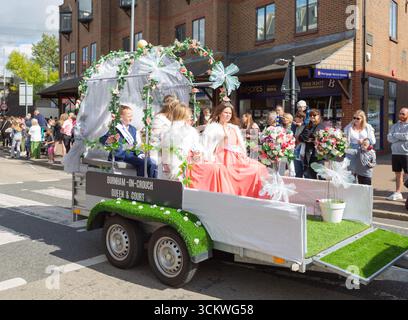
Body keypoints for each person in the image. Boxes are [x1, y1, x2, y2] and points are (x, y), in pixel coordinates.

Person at [188, 102, 268, 199]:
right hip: (222, 158)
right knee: (226, 173)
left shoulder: (234, 128)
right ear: (219, 114)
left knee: (258, 168)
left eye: (230, 113)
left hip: (237, 158)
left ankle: (251, 195)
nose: (228, 115)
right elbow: (207, 146)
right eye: (225, 112)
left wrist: (243, 155)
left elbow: (240, 146)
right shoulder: (213, 128)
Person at [100, 105, 158, 178]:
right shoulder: (116, 127)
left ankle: (153, 183)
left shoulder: (133, 129)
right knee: (143, 163)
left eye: (131, 116)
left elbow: (135, 145)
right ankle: (141, 183)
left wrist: (140, 153)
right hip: (120, 155)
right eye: (128, 116)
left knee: (151, 162)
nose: (131, 118)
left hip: (131, 154)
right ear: (121, 116)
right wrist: (109, 140)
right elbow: (102, 139)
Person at [161, 103, 202, 180]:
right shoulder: (188, 130)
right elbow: (196, 149)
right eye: (189, 115)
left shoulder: (167, 130)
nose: (191, 117)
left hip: (170, 165)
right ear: (184, 115)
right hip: (186, 165)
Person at [344, 110, 376, 175]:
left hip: (364, 151)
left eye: (358, 118)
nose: (355, 120)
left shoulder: (368, 127)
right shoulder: (349, 127)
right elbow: (344, 139)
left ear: (362, 119)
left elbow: (373, 140)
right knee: (351, 172)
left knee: (364, 172)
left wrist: (364, 141)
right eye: (354, 118)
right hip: (351, 150)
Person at [387, 107, 408, 201]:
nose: (401, 115)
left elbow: (407, 136)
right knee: (398, 174)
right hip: (395, 153)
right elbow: (389, 138)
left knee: (407, 174)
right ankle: (398, 193)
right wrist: (400, 136)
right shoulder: (395, 126)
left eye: (403, 113)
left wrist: (395, 135)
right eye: (400, 113)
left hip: (406, 153)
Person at [299, 109, 326, 179]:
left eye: (314, 115)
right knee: (311, 175)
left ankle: (322, 189)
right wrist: (307, 139)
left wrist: (310, 139)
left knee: (321, 175)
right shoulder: (308, 126)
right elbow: (300, 137)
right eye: (310, 115)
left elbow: (319, 136)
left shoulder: (321, 125)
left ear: (319, 116)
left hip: (318, 155)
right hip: (309, 154)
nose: (312, 117)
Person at [293, 112, 306, 178]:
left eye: (296, 117)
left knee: (303, 168)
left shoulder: (305, 126)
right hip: (297, 148)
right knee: (297, 169)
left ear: (301, 118)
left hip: (302, 149)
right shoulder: (297, 127)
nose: (295, 119)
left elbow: (300, 138)